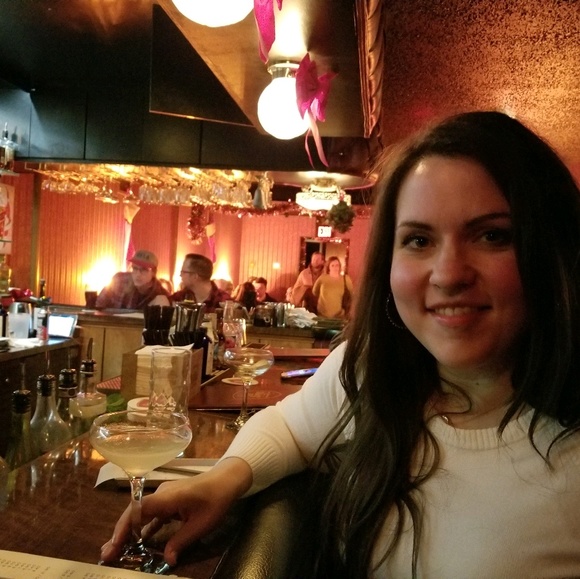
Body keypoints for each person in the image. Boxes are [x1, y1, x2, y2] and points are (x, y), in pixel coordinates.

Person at [101, 112, 580, 578]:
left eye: (493, 235)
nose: (449, 274)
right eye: (418, 240)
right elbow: (289, 427)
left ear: (554, 249)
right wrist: (222, 479)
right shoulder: (371, 371)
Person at [95, 250, 170, 309]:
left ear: (154, 272)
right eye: (135, 268)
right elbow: (98, 305)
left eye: (144, 269)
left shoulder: (161, 295)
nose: (138, 274)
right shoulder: (119, 281)